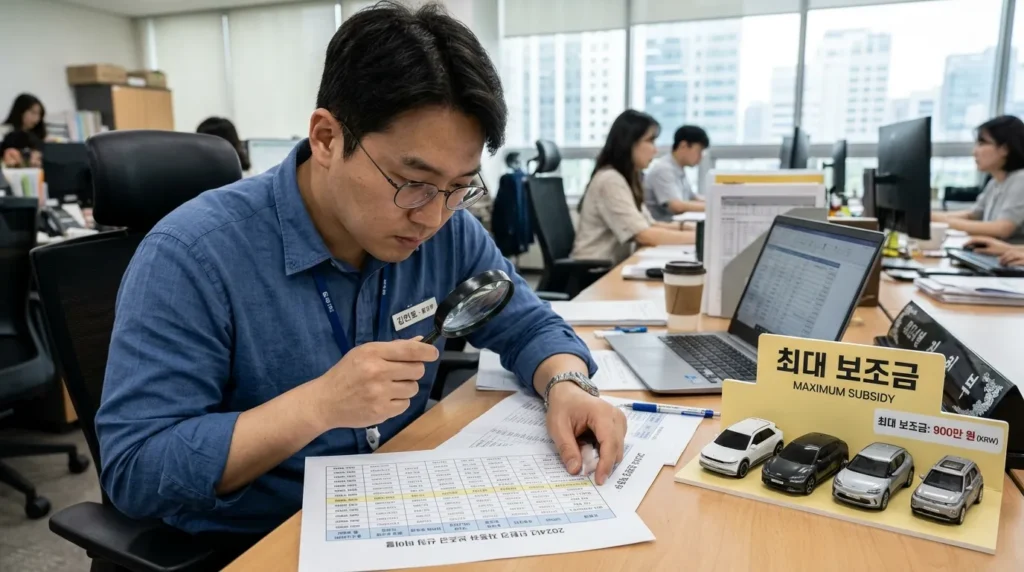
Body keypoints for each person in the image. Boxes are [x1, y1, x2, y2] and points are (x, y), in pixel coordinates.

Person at [95, 1, 626, 543]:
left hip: (398, 505)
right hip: (259, 537)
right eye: (412, 181)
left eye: (459, 186)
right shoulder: (194, 255)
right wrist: (318, 405)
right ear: (327, 139)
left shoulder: (448, 231)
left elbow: (528, 324)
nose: (431, 215)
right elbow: (136, 468)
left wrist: (567, 385)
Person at [572, 110, 694, 264]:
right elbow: (643, 234)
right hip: (594, 271)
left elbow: (649, 224)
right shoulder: (610, 180)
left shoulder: (627, 178)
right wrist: (699, 239)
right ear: (629, 143)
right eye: (650, 141)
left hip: (613, 265)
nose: (655, 150)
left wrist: (685, 228)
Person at [932, 115, 1024, 243]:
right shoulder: (995, 182)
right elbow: (973, 215)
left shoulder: (1020, 179)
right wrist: (931, 217)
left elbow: (1002, 228)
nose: (974, 152)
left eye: (982, 143)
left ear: (1005, 149)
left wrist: (940, 220)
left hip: (1011, 259)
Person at [643, 125, 709, 221]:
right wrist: (713, 208)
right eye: (699, 151)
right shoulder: (663, 169)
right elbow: (677, 206)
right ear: (683, 146)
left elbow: (692, 198)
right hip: (661, 227)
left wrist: (716, 202)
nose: (701, 156)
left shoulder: (678, 168)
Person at [1, 93, 46, 168]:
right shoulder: (5, 132)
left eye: (39, 114)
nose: (37, 119)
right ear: (21, 111)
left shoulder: (37, 135)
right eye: (33, 113)